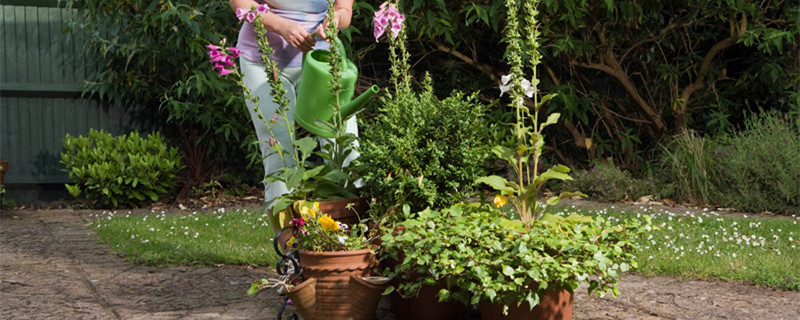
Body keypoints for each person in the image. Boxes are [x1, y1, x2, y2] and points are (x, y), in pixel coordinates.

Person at [229, 0, 357, 206]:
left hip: (322, 64)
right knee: (280, 157)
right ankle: (287, 226)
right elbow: (238, 2)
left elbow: (344, 10)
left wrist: (334, 20)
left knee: (346, 150)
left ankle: (351, 223)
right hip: (263, 62)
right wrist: (281, 25)